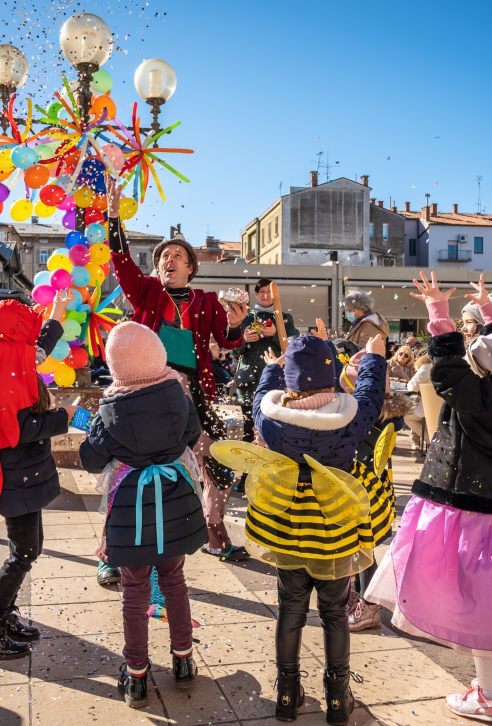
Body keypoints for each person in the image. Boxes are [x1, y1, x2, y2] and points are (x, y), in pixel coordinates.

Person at [366, 273, 492, 723]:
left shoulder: (474, 395)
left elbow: (448, 364)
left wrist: (438, 311)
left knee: (477, 604)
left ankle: (489, 696)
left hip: (467, 511)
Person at [223, 333, 386, 724]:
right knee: (333, 614)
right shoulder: (349, 419)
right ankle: (337, 696)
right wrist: (375, 360)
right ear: (331, 375)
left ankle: (286, 693)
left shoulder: (272, 418)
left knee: (290, 612)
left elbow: (260, 395)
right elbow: (371, 395)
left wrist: (272, 367)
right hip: (333, 537)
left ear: (291, 380)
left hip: (288, 534)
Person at [106, 178, 249, 562]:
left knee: (217, 459)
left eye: (176, 256)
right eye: (163, 257)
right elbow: (120, 262)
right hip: (147, 390)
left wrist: (235, 326)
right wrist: (114, 218)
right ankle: (109, 554)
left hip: (193, 392)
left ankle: (213, 529)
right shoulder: (146, 292)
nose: (168, 260)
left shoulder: (206, 301)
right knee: (128, 464)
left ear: (190, 267)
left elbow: (228, 340)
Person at [78, 321, 205, 709]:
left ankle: (136, 676)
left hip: (132, 511)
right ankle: (183, 660)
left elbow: (90, 459)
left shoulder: (110, 409)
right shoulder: (178, 395)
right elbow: (193, 435)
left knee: (134, 594)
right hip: (174, 501)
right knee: (175, 581)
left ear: (117, 366)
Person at [0, 294, 76, 659]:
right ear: (15, 330)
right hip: (15, 472)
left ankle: (3, 617)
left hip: (18, 471)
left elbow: (38, 348)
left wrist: (56, 312)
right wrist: (64, 416)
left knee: (28, 547)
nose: (33, 337)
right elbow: (18, 429)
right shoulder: (1, 358)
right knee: (23, 551)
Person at [337, 351, 416, 633]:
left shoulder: (364, 419)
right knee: (361, 549)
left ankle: (369, 608)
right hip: (374, 492)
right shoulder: (383, 413)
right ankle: (358, 601)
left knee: (363, 550)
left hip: (364, 493)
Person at [232, 277, 298, 443]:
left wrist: (276, 333)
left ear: (275, 295)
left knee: (273, 429)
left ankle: (269, 467)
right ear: (256, 294)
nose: (266, 295)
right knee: (248, 431)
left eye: (269, 291)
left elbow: (292, 349)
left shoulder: (285, 319)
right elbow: (233, 350)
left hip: (275, 381)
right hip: (248, 382)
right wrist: (244, 339)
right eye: (262, 291)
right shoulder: (244, 317)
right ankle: (248, 468)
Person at [403, 353, 433, 453]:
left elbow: (412, 386)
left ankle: (430, 441)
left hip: (430, 406)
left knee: (408, 418)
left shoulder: (427, 366)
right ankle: (427, 441)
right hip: (446, 405)